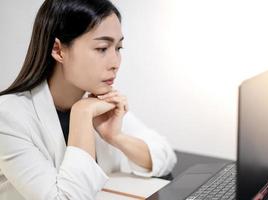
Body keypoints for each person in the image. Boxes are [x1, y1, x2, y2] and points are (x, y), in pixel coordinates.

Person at [0, 0, 177, 199]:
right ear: (58, 50)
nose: (115, 63)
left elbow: (164, 156)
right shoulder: (8, 117)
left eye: (118, 48)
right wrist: (82, 115)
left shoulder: (96, 101)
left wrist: (116, 137)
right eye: (102, 48)